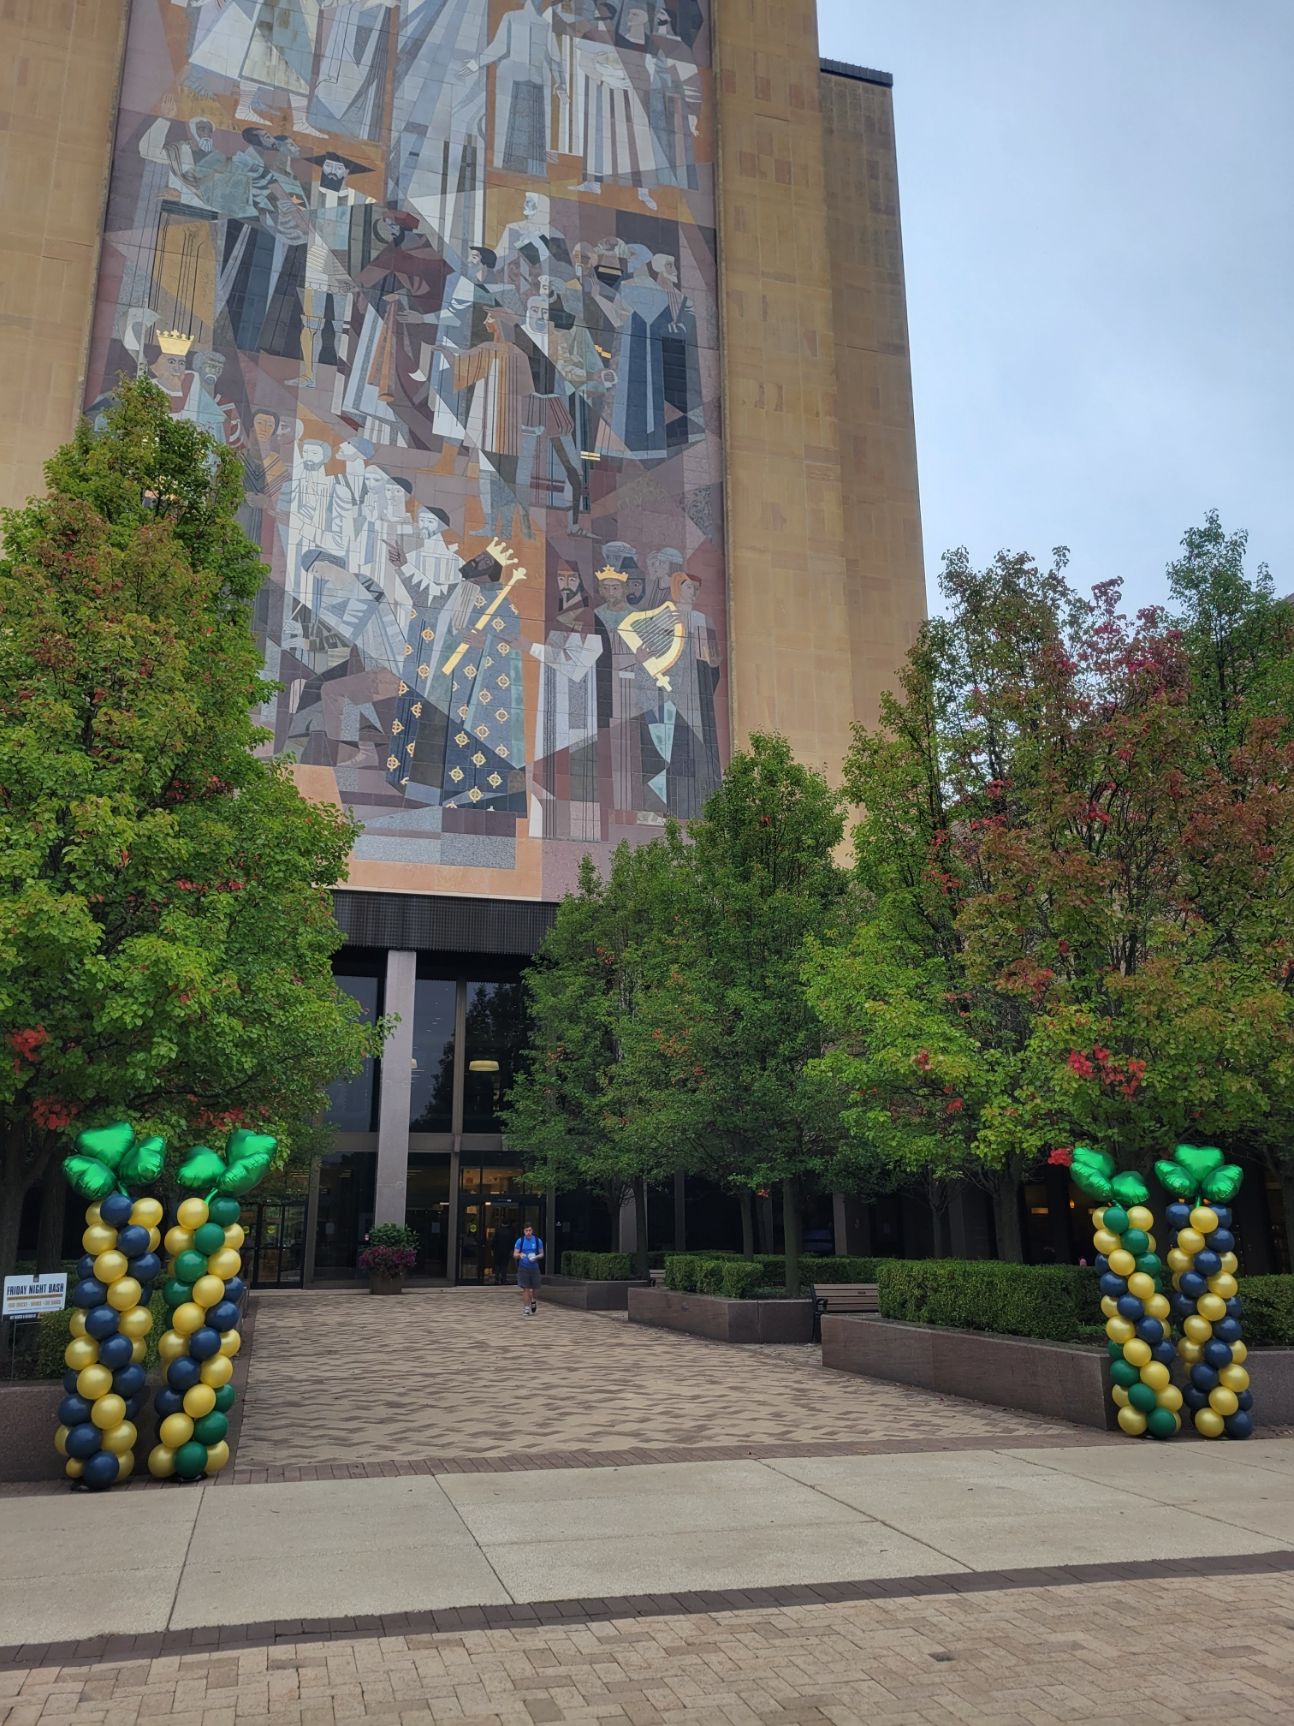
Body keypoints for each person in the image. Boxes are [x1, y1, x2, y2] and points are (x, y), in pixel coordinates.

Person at [513, 1222, 544, 1315]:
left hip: (534, 1267)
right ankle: (526, 1309)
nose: (528, 1232)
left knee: (535, 1288)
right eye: (526, 1231)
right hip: (523, 1267)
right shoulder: (520, 1241)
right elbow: (515, 1254)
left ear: (532, 1230)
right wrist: (519, 1255)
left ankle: (533, 1300)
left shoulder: (538, 1241)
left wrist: (536, 1257)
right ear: (524, 1231)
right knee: (525, 1288)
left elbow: (542, 1254)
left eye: (530, 1230)